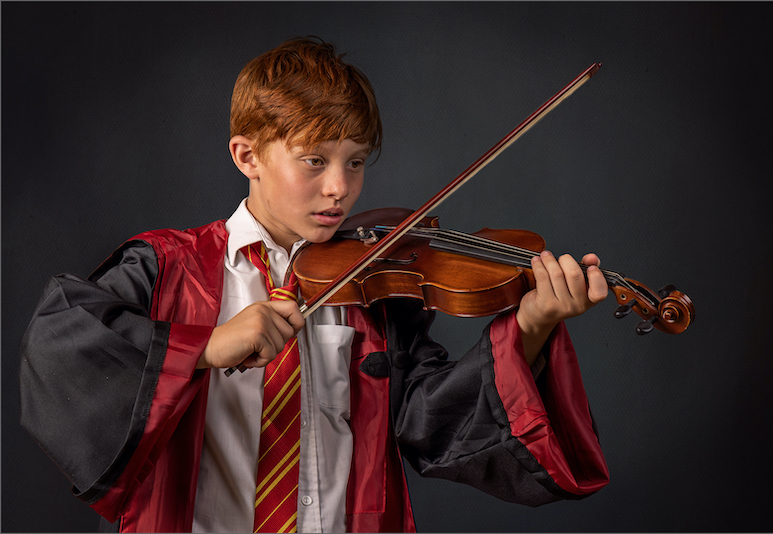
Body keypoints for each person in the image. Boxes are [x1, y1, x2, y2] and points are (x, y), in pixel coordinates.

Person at [19, 37, 611, 533]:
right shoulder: (167, 265)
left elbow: (435, 425)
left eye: (355, 162)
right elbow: (61, 345)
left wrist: (529, 327)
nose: (339, 188)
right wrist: (203, 347)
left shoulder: (374, 284)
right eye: (314, 160)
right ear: (247, 155)